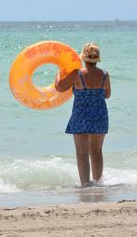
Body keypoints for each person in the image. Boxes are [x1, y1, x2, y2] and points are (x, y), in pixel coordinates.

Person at [54, 43, 111, 187]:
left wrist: (58, 71)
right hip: (100, 115)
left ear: (84, 58)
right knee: (97, 151)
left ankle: (85, 184)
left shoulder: (77, 73)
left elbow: (59, 87)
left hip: (81, 115)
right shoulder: (104, 75)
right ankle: (98, 183)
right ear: (97, 59)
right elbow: (107, 95)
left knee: (82, 152)